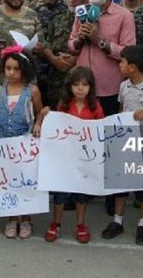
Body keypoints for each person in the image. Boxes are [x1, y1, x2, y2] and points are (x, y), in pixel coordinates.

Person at [102, 45, 143, 245]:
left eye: (121, 62)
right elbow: (122, 109)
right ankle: (117, 220)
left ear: (132, 66)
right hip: (124, 143)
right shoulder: (124, 86)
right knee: (121, 183)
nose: (119, 65)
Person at [0, 49, 44, 240]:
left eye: (16, 69)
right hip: (3, 143)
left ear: (25, 70)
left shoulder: (32, 91)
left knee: (26, 181)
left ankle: (26, 218)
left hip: (24, 145)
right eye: (7, 68)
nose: (11, 73)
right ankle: (11, 218)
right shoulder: (0, 91)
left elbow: (41, 111)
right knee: (8, 181)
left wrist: (38, 124)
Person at [44, 66, 104, 244]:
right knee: (61, 194)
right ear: (69, 86)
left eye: (85, 85)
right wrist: (46, 116)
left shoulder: (95, 107)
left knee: (81, 194)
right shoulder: (63, 105)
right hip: (66, 158)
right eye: (76, 84)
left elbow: (100, 129)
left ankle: (80, 225)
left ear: (90, 87)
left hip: (85, 158)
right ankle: (55, 223)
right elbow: (56, 127)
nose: (80, 88)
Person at [68, 0, 136, 116]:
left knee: (109, 136)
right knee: (82, 135)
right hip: (82, 88)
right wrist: (79, 40)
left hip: (110, 90)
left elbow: (128, 53)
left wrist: (99, 41)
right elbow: (71, 46)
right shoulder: (81, 13)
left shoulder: (124, 16)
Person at [35, 0, 79, 111]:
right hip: (46, 68)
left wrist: (73, 60)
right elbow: (42, 39)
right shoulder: (35, 9)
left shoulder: (70, 9)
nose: (47, 1)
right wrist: (52, 59)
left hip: (70, 68)